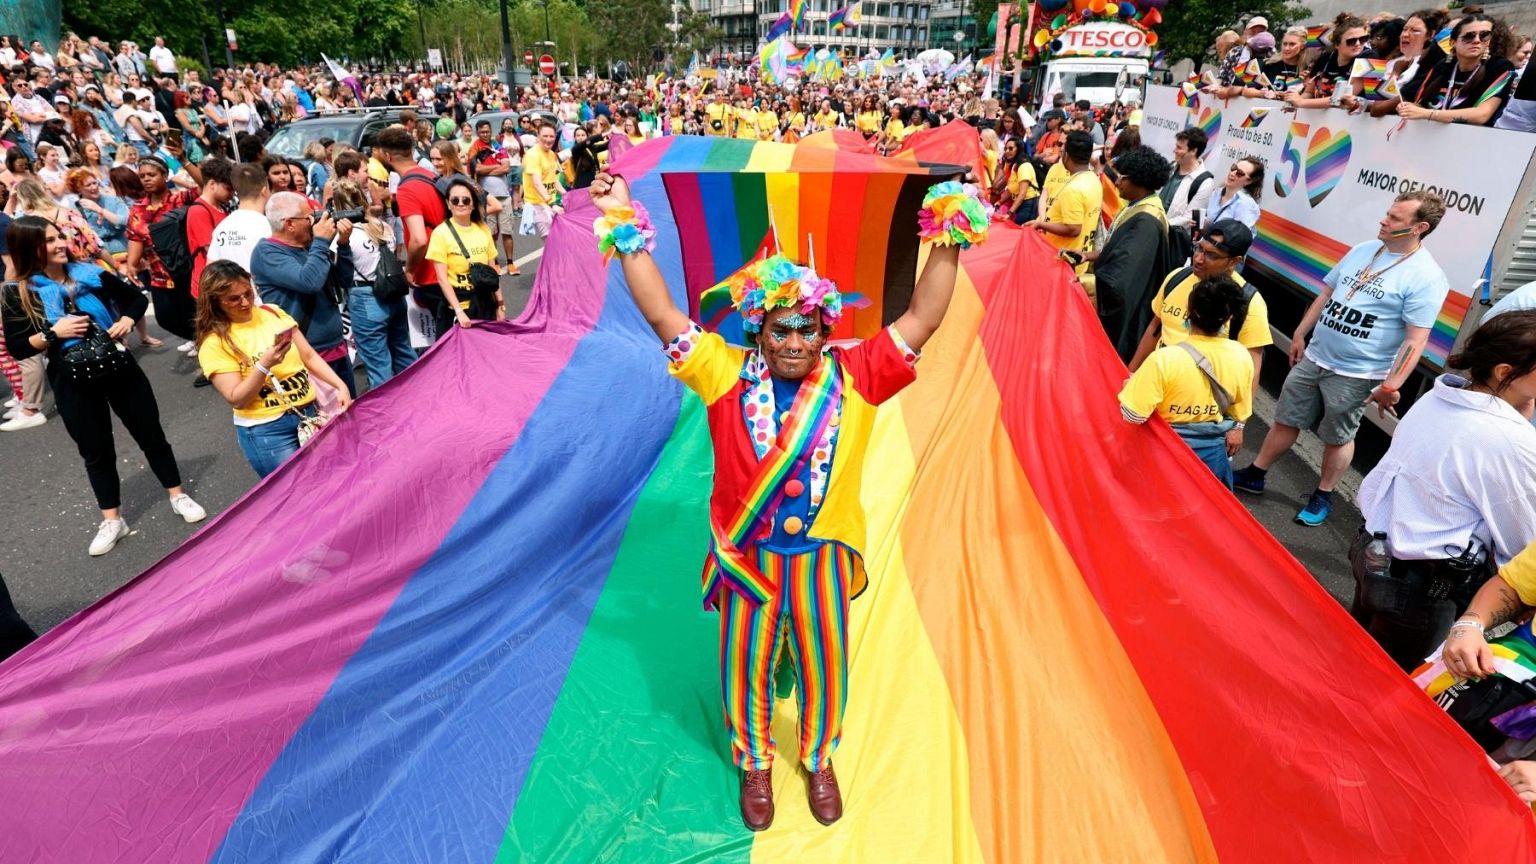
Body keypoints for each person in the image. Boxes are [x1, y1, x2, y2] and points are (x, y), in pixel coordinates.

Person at [588, 168, 976, 832]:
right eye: (780, 330)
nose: (794, 342)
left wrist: (948, 229)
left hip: (822, 556)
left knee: (827, 657)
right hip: (750, 557)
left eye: (807, 330)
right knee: (742, 662)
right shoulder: (723, 373)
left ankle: (819, 756)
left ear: (826, 330)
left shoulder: (857, 376)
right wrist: (624, 225)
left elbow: (924, 316)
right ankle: (756, 760)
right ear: (758, 330)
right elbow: (661, 314)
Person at [1233, 191, 1451, 526]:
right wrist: (1301, 333)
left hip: (1357, 372)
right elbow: (1327, 293)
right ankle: (1256, 472)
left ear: (1420, 227)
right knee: (1286, 418)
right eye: (1387, 213)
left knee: (1338, 436)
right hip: (1315, 356)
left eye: (1395, 218)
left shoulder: (1426, 275)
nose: (1384, 220)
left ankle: (1324, 494)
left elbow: (1416, 338)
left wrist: (1392, 384)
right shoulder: (1365, 250)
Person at [1, 217, 206, 555]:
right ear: (30, 248)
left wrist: (126, 319)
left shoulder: (90, 273)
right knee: (96, 451)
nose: (60, 244)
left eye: (59, 237)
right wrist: (56, 333)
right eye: (50, 241)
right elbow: (19, 346)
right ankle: (113, 520)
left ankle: (177, 495)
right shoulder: (18, 292)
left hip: (119, 365)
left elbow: (135, 300)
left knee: (150, 434)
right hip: (71, 381)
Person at [1353, 310, 1536, 670]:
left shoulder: (1441, 395)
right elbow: (1523, 542)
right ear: (1504, 373)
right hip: (1424, 589)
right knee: (1395, 683)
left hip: (1372, 552)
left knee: (1352, 652)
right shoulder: (1511, 439)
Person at [196, 261, 352, 477]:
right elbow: (236, 398)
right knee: (296, 496)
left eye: (248, 293)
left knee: (330, 481)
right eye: (234, 299)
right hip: (268, 430)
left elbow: (308, 356)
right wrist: (264, 365)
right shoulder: (215, 342)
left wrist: (340, 386)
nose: (245, 302)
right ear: (215, 302)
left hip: (309, 413)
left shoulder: (272, 312)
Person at [1129, 219, 1271, 441]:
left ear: (1235, 261)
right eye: (1199, 249)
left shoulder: (1248, 302)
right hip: (1155, 397)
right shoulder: (1177, 278)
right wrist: (1131, 373)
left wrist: (1239, 425)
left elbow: (1252, 366)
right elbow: (1155, 328)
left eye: (1212, 255)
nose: (1199, 259)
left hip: (1200, 422)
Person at [1119, 276, 1255, 487]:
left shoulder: (1165, 359)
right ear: (1228, 317)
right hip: (1210, 460)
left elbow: (1133, 415)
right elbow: (1240, 411)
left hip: (1160, 458)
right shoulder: (1240, 354)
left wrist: (1131, 387)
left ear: (1189, 311)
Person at [249, 191, 356, 398]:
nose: (314, 222)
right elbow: (309, 282)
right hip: (306, 356)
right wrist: (322, 242)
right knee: (324, 424)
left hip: (336, 348)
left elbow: (343, 281)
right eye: (309, 218)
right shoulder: (267, 252)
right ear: (289, 223)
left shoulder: (310, 248)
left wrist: (343, 244)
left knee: (351, 416)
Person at [1081, 147, 1172, 362]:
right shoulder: (1137, 206)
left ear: (1139, 181)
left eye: (1122, 178)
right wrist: (1089, 255)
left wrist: (1086, 283)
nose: (1118, 182)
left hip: (1126, 315)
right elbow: (1119, 250)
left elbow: (1119, 280)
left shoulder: (1146, 221)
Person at [333, 179, 412, 385]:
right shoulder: (384, 226)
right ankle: (415, 395)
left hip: (366, 297)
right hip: (393, 292)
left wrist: (341, 244)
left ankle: (387, 410)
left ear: (338, 206)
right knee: (403, 350)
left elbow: (343, 276)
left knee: (378, 362)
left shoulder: (345, 236)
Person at [378, 126, 447, 342]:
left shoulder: (407, 187)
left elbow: (418, 239)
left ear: (388, 156)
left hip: (431, 271)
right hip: (450, 262)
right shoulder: (431, 176)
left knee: (443, 339)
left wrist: (409, 269)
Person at [1398, 14, 1516, 127]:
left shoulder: (1500, 67)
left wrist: (1428, 114)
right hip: (1430, 135)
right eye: (1468, 36)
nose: (1476, 40)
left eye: (1484, 35)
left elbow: (1482, 115)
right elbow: (1420, 105)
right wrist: (1407, 107)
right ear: (1453, 42)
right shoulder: (1442, 65)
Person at [427, 177, 503, 332]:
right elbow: (442, 279)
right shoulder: (440, 234)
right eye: (455, 200)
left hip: (485, 304)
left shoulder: (483, 229)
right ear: (448, 204)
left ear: (473, 204)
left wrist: (500, 303)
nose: (460, 203)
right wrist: (459, 312)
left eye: (466, 200)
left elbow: (492, 271)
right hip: (458, 309)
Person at [1027, 131, 1101, 277]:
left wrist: (1041, 225)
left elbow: (1073, 229)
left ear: (1066, 154)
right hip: (1075, 259)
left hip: (1061, 261)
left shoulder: (1074, 189)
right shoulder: (1093, 179)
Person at [468, 119, 517, 272]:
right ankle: (494, 262)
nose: (485, 134)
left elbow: (506, 167)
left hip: (504, 195)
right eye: (482, 132)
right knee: (490, 233)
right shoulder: (474, 149)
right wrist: (497, 166)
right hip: (486, 198)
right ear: (478, 132)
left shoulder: (498, 146)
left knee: (507, 232)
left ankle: (510, 262)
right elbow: (477, 170)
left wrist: (488, 168)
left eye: (487, 131)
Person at [208, 163, 272, 273]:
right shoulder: (269, 228)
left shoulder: (222, 227)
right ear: (265, 191)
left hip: (227, 289)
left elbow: (210, 268)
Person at [520, 123, 562, 238]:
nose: (548, 140)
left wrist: (567, 194)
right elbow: (537, 183)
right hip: (537, 204)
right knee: (551, 241)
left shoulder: (552, 154)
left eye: (551, 136)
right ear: (538, 135)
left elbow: (553, 179)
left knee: (560, 240)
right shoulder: (533, 155)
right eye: (545, 136)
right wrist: (551, 203)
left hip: (550, 204)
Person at [1199, 159, 1263, 232]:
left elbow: (1237, 237)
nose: (1232, 173)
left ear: (1248, 181)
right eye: (1233, 168)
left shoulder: (1247, 205)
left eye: (1239, 173)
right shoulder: (1216, 193)